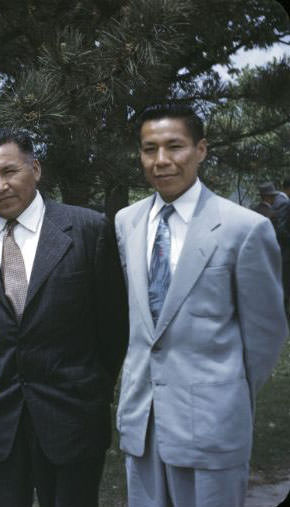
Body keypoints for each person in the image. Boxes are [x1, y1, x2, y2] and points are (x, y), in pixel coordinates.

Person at [115, 103, 288, 506]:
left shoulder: (244, 228)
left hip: (212, 421)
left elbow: (265, 335)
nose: (161, 161)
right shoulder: (127, 221)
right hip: (142, 420)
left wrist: (224, 395)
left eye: (174, 146)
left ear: (201, 150)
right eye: (149, 149)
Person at [0, 128, 128, 507]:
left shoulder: (87, 230)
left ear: (36, 168)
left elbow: (113, 327)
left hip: (71, 416)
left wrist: (91, 386)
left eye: (9, 171)